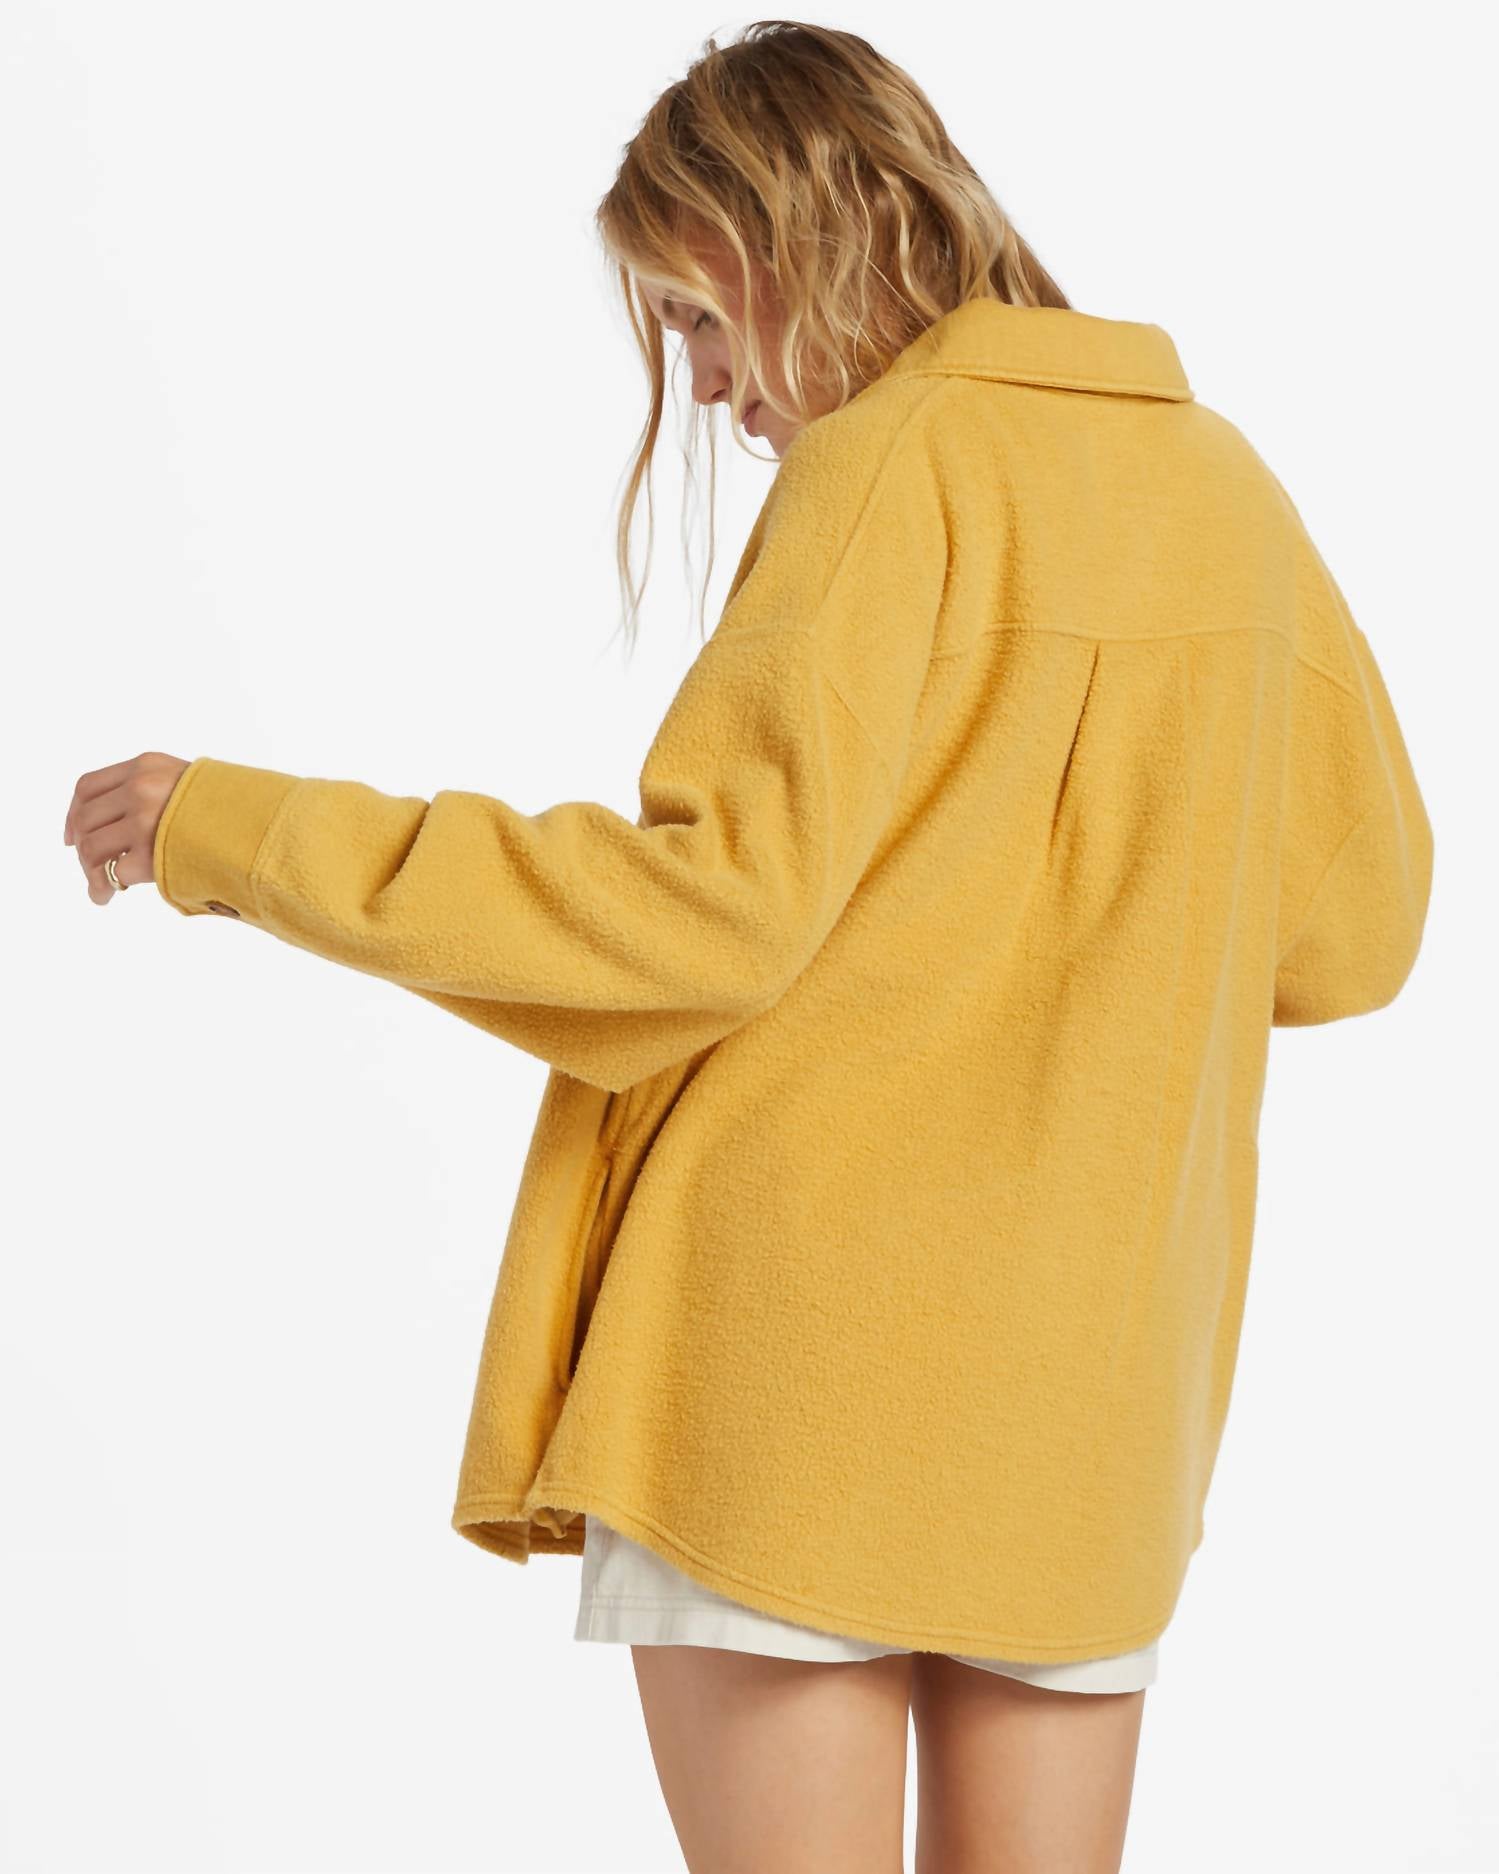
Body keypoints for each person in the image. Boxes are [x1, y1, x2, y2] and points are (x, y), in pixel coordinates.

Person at [63, 21, 1434, 1874]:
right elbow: (1361, 929)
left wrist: (241, 831)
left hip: (791, 1374)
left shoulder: (886, 464)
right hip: (1087, 1402)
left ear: (804, 237)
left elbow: (699, 918)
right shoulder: (1230, 495)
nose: (709, 390)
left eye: (702, 319)